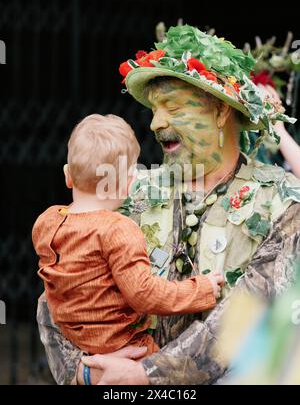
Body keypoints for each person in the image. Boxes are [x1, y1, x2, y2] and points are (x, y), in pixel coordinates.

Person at [37, 25, 300, 385]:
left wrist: (147, 376)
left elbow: (250, 312)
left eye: (172, 106)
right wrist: (84, 371)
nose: (156, 122)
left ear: (221, 111)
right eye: (156, 109)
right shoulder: (125, 190)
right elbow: (62, 291)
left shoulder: (280, 199)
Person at [32, 113, 223, 358]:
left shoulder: (47, 222)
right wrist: (202, 289)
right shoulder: (118, 230)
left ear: (68, 175)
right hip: (122, 345)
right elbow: (144, 294)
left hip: (76, 344)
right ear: (128, 184)